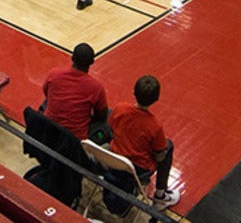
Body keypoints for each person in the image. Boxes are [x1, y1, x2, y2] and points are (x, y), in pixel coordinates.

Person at [108, 76, 180, 210]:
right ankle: (160, 196)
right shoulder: (154, 125)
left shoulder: (119, 108)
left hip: (113, 158)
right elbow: (159, 157)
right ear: (156, 99)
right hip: (137, 169)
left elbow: (111, 130)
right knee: (167, 146)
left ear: (133, 92)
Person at [41, 43, 107, 139]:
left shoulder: (54, 74)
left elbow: (46, 94)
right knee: (108, 121)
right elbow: (101, 116)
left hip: (49, 130)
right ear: (92, 62)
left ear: (72, 58)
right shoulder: (96, 87)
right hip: (74, 141)